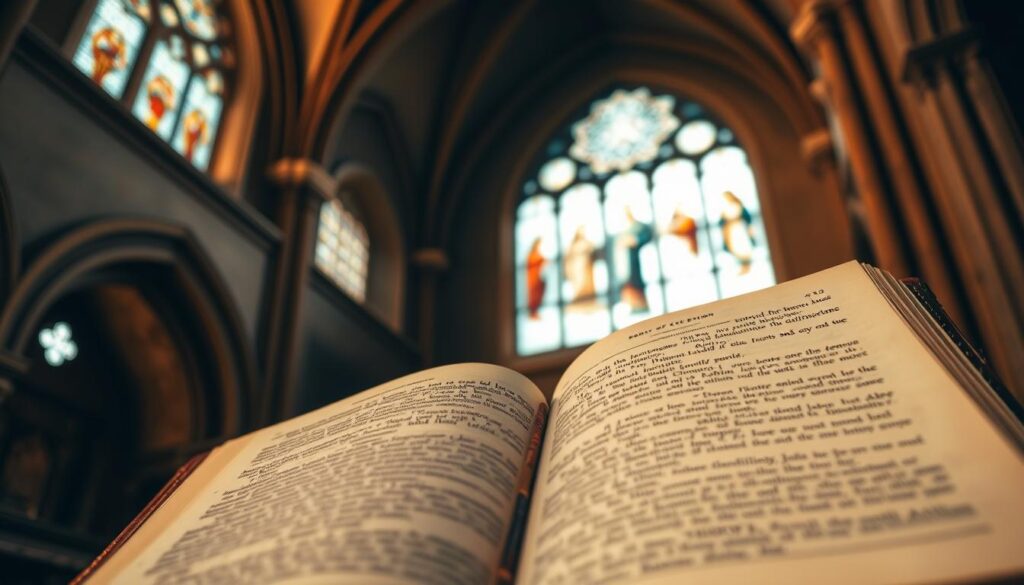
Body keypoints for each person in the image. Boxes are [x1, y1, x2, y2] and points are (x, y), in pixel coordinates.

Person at [615, 207, 653, 312]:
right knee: (628, 285)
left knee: (636, 283)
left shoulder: (639, 226)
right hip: (624, 264)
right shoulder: (622, 230)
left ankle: (640, 306)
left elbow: (647, 235)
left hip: (636, 262)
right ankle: (632, 306)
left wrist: (635, 240)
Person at [720, 190, 755, 274]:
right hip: (731, 232)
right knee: (736, 248)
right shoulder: (725, 208)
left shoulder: (738, 205)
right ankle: (741, 266)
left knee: (743, 247)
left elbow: (747, 218)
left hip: (740, 229)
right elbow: (722, 222)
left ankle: (747, 266)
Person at [564, 226, 596, 303]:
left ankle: (587, 297)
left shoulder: (585, 242)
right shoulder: (572, 245)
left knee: (585, 282)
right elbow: (568, 257)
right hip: (576, 267)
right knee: (578, 282)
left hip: (585, 266)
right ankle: (579, 296)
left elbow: (591, 247)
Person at [526, 238, 546, 319]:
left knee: (539, 295)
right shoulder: (532, 254)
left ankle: (535, 312)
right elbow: (534, 261)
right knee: (534, 296)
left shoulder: (537, 254)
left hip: (538, 278)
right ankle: (533, 313)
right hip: (533, 279)